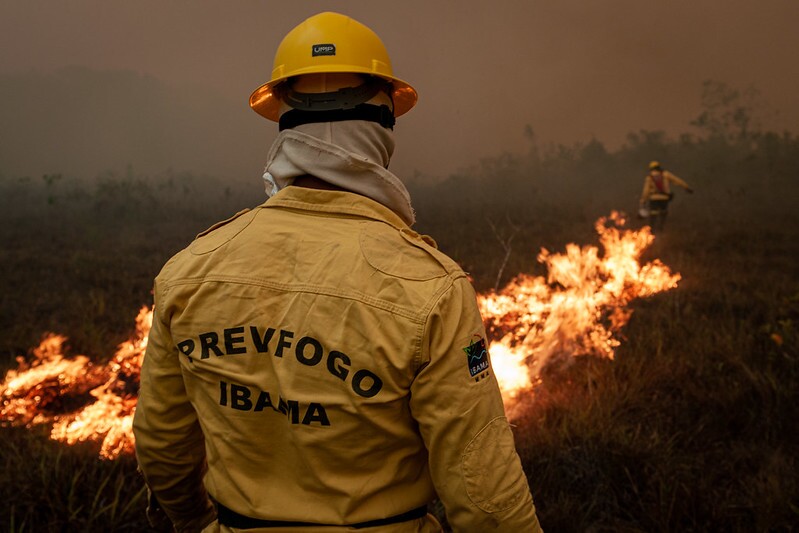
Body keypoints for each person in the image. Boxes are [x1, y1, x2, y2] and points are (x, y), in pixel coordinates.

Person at [132, 11, 543, 533]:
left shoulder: (187, 271)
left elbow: (163, 446)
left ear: (282, 123)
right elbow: (486, 500)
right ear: (384, 123)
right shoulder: (432, 289)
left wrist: (194, 523)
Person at [638, 160, 694, 232]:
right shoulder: (666, 174)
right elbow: (677, 180)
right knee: (663, 212)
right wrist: (687, 187)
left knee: (653, 213)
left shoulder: (649, 178)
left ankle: (652, 228)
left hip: (653, 198)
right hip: (664, 198)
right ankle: (661, 227)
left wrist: (643, 200)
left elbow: (645, 191)